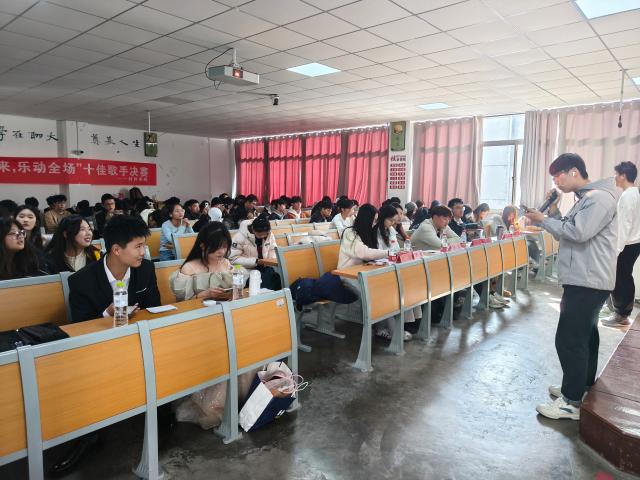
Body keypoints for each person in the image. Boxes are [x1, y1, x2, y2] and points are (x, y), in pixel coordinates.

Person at [525, 153, 618, 421]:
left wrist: (542, 220)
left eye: (558, 176)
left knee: (569, 339)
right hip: (586, 278)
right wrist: (553, 212)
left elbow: (578, 233)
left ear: (574, 171)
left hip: (587, 280)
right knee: (585, 336)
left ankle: (570, 402)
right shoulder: (587, 198)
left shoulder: (598, 198)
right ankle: (581, 387)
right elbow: (569, 226)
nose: (556, 182)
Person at [68, 215, 161, 323]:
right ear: (116, 250)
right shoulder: (80, 281)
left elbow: (155, 309)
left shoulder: (146, 268)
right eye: (138, 246)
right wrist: (107, 313)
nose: (143, 252)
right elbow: (81, 325)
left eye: (143, 245)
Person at [603, 161, 640, 327]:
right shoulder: (635, 193)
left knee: (620, 279)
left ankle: (621, 315)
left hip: (627, 244)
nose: (615, 177)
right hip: (634, 243)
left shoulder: (627, 196)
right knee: (625, 277)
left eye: (617, 174)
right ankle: (619, 310)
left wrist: (616, 250)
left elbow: (624, 225)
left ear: (623, 176)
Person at [170, 222, 245, 301]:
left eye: (225, 247)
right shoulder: (188, 268)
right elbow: (182, 302)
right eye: (217, 247)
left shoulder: (226, 263)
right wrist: (204, 295)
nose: (222, 252)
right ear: (202, 246)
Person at [229, 215, 280, 289]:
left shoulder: (269, 234)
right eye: (260, 234)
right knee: (264, 282)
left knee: (276, 278)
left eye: (265, 234)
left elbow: (273, 249)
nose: (263, 236)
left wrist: (269, 261)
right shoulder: (239, 237)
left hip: (265, 266)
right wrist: (256, 261)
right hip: (246, 268)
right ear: (253, 229)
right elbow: (233, 259)